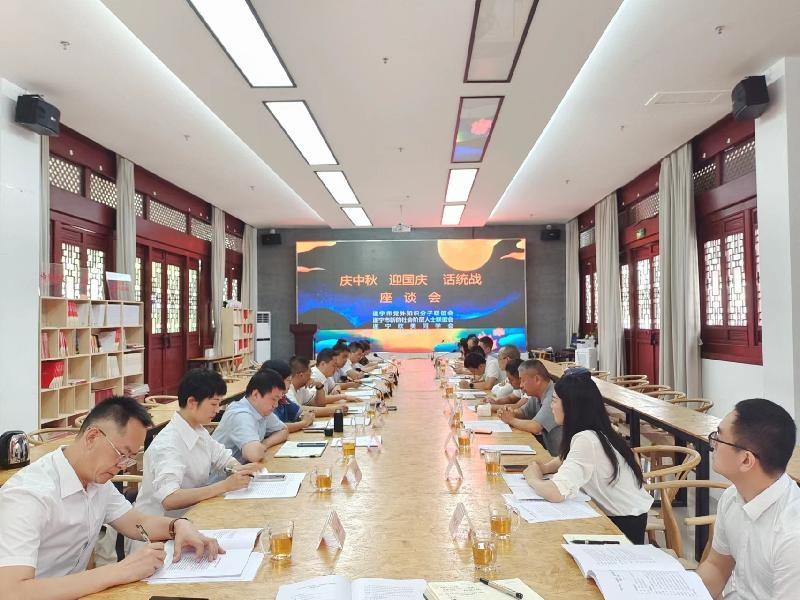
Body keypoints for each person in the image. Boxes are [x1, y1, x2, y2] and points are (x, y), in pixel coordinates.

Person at [0, 397, 221, 599]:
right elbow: (12, 592)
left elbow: (137, 523)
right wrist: (120, 571)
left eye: (129, 458)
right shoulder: (28, 495)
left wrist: (178, 525)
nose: (122, 466)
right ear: (92, 437)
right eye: (121, 454)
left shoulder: (97, 482)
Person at [522, 370, 653, 544]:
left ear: (571, 406)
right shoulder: (596, 430)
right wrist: (545, 468)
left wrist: (533, 479)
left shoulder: (587, 439)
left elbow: (556, 493)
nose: (551, 407)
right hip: (626, 517)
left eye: (554, 400)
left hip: (621, 526)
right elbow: (569, 458)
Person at [697, 398, 800, 599]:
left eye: (719, 438)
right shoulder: (731, 497)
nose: (713, 444)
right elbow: (716, 567)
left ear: (746, 460)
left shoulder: (792, 534)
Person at [136, 370, 262, 519]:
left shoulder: (197, 429)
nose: (217, 410)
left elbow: (223, 459)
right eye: (213, 404)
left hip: (191, 515)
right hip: (159, 525)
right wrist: (224, 486)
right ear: (191, 402)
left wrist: (239, 469)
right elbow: (169, 499)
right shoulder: (168, 444)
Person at [212, 369, 289, 463]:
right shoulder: (241, 415)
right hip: (221, 472)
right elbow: (255, 455)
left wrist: (264, 444)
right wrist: (259, 447)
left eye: (278, 400)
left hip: (240, 468)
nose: (276, 405)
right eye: (273, 399)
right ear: (255, 395)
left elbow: (284, 430)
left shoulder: (260, 409)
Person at [498, 359, 562, 455]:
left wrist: (510, 420)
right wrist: (510, 413)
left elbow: (535, 427)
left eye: (523, 380)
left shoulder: (554, 395)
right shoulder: (536, 395)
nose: (521, 385)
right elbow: (523, 412)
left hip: (562, 458)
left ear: (537, 379)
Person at [260, 359, 315, 433]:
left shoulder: (282, 398)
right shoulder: (266, 402)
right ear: (277, 380)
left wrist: (306, 417)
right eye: (288, 380)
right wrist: (304, 423)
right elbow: (279, 427)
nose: (291, 383)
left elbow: (300, 413)